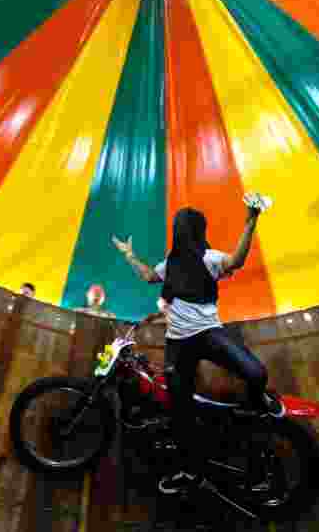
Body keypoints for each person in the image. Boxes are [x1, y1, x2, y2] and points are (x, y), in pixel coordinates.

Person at [112, 193, 284, 495]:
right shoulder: (170, 264)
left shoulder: (209, 259)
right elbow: (150, 276)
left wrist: (251, 222)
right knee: (179, 412)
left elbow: (237, 260)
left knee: (256, 374)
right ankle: (190, 471)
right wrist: (129, 255)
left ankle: (253, 409)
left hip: (209, 333)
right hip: (178, 344)